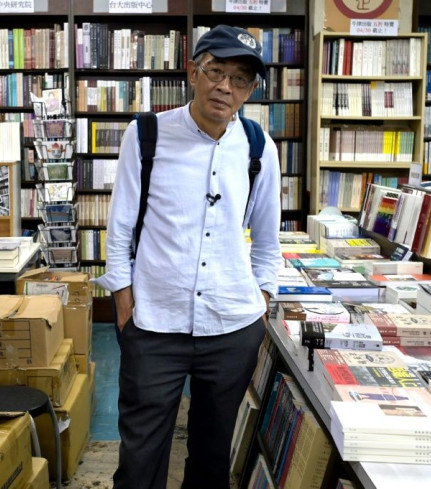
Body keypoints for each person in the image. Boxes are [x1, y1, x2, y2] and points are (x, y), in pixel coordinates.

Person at [95, 25, 282, 489]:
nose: (225, 86)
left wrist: (260, 302)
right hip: (155, 323)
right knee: (140, 455)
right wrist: (122, 297)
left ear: (251, 89)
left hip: (231, 326)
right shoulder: (147, 135)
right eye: (216, 71)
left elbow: (267, 239)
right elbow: (119, 227)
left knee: (211, 456)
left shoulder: (259, 147)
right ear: (192, 72)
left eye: (240, 79)